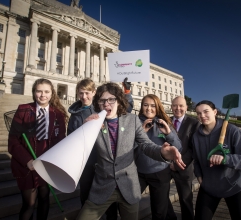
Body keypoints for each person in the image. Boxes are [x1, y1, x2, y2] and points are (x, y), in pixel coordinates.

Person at [76, 82, 185, 220]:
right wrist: (85, 131)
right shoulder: (93, 122)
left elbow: (146, 145)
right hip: (103, 186)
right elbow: (81, 151)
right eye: (102, 100)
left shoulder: (132, 120)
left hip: (128, 187)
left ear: (119, 101)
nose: (106, 104)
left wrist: (163, 152)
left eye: (111, 99)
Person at [67, 78, 133, 219]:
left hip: (106, 163)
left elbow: (126, 107)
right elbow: (71, 140)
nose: (84, 97)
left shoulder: (103, 107)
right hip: (86, 164)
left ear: (94, 92)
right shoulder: (75, 116)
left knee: (110, 203)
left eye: (87, 93)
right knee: (86, 197)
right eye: (81, 93)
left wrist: (127, 92)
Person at [8, 78, 69, 220]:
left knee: (44, 198)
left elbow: (60, 139)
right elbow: (13, 141)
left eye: (46, 91)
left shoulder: (58, 114)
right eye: (39, 91)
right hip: (27, 165)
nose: (43, 95)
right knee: (29, 203)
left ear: (52, 93)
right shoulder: (23, 110)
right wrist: (27, 161)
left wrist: (53, 160)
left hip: (46, 164)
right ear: (34, 92)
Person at [192, 100, 241, 220]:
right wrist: (198, 175)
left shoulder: (233, 131)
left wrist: (226, 159)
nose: (202, 116)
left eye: (206, 111)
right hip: (208, 187)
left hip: (233, 187)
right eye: (198, 113)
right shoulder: (196, 136)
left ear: (215, 112)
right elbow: (196, 159)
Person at [135, 94, 182, 220]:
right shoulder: (134, 122)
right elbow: (127, 147)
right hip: (139, 172)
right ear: (141, 106)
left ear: (157, 107)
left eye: (153, 106)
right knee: (129, 201)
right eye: (145, 105)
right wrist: (142, 132)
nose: (149, 108)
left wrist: (168, 133)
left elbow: (178, 147)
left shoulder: (164, 122)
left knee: (159, 211)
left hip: (160, 173)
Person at [166, 96, 200, 220]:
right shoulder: (166, 121)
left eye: (181, 105)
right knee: (163, 196)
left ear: (186, 107)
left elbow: (193, 148)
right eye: (175, 105)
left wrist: (177, 164)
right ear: (171, 107)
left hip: (184, 167)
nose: (178, 108)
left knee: (186, 200)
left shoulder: (194, 123)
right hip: (165, 166)